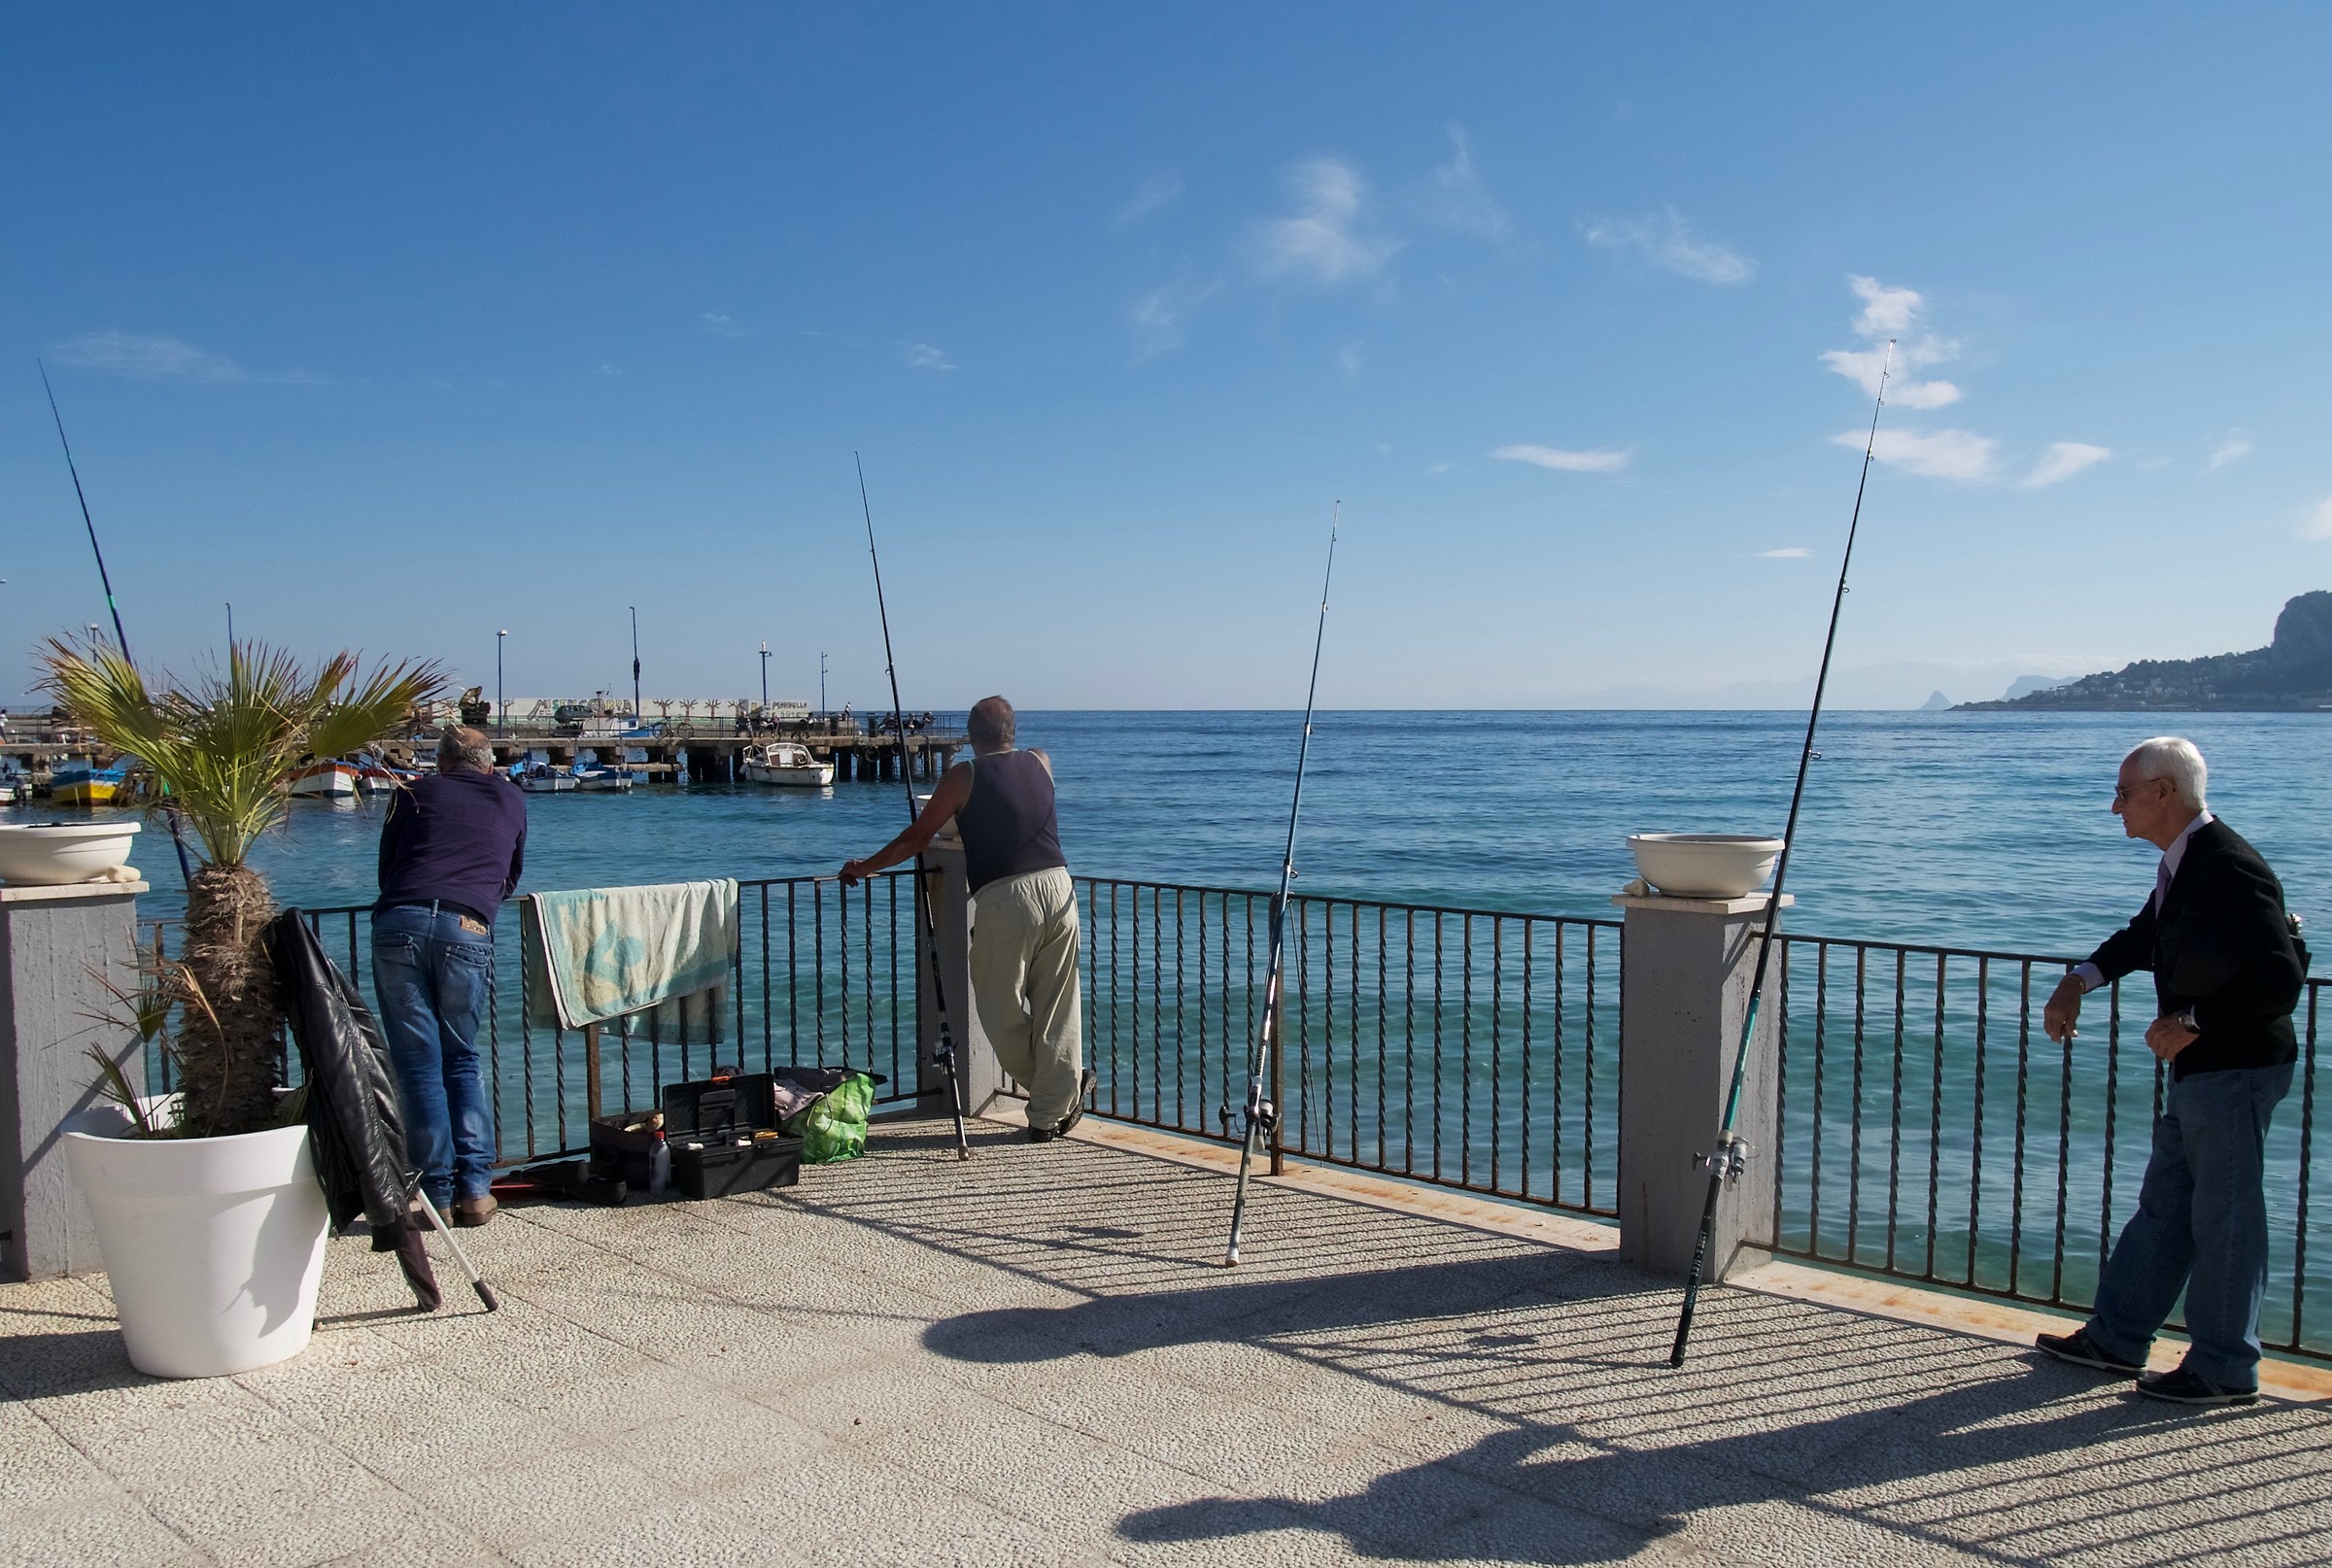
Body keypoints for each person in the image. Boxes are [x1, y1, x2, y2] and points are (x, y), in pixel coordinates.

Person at [2037, 737, 2307, 1404]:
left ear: (2164, 792)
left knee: (2228, 1216)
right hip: (2206, 1070)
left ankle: (2222, 1367)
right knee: (2169, 1206)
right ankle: (2118, 1338)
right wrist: (2080, 979)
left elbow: (2280, 978)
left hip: (2235, 1067)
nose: (2115, 806)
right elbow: (2143, 936)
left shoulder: (2229, 866)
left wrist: (2193, 1022)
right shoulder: (2186, 864)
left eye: (2125, 793)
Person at [840, 695, 1089, 1142]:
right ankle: (1052, 1110)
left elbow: (918, 838)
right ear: (1012, 731)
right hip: (1060, 885)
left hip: (1006, 894)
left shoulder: (963, 775)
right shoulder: (1040, 761)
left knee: (997, 1008)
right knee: (1058, 1004)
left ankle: (1058, 1098)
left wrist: (865, 866)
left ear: (972, 737)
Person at [372, 726, 528, 1226]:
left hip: (401, 920)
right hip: (468, 925)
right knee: (461, 1058)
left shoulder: (410, 792)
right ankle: (477, 1191)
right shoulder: (510, 798)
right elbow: (510, 874)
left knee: (418, 1064)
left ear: (440, 763)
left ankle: (434, 1195)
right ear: (487, 764)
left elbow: (389, 867)